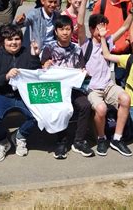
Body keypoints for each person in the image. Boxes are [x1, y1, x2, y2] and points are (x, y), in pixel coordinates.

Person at [77, 0, 133, 157]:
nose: (104, 29)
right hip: (92, 88)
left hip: (108, 85)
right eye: (101, 26)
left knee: (125, 98)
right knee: (101, 109)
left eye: (105, 26)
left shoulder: (107, 41)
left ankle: (117, 138)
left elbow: (124, 27)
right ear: (93, 28)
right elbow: (80, 24)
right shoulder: (85, 43)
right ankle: (101, 138)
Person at [0, 25, 41, 162]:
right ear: (3, 42)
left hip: (23, 96)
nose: (13, 42)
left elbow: (36, 75)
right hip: (0, 95)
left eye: (17, 39)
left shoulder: (28, 53)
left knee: (40, 112)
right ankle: (2, 140)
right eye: (9, 39)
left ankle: (20, 135)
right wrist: (6, 77)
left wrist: (35, 56)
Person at [40, 14, 93, 159]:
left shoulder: (77, 49)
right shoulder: (49, 48)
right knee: (61, 108)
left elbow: (82, 68)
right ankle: (61, 142)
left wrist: (83, 72)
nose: (65, 32)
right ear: (56, 31)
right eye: (61, 29)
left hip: (73, 88)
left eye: (68, 29)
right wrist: (45, 65)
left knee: (85, 105)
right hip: (56, 89)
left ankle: (79, 141)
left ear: (72, 31)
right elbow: (41, 69)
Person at [92, 0, 133, 87]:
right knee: (102, 80)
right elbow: (93, 25)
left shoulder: (127, 3)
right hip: (104, 48)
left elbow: (132, 23)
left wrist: (127, 40)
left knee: (123, 81)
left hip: (122, 49)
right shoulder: (100, 4)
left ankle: (123, 104)